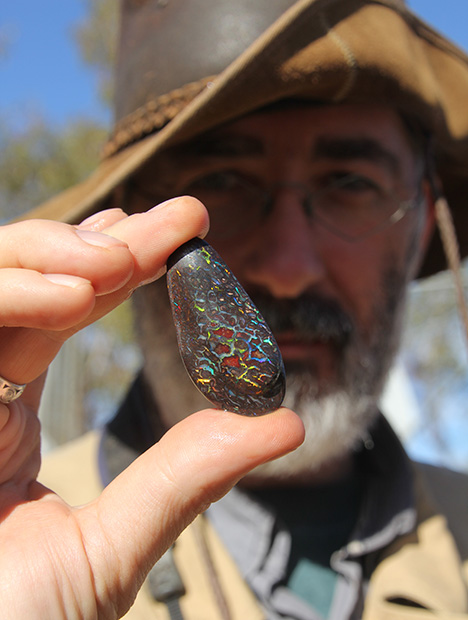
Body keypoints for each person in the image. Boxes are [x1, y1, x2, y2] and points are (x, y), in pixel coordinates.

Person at [3, 0, 468, 617]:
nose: (289, 266)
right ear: (132, 219)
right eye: (222, 180)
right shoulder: (24, 525)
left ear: (421, 222)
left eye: (350, 182)